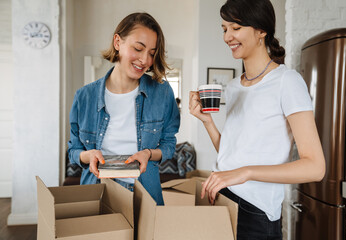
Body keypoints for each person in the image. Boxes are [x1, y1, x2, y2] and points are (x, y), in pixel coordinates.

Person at [189, 0, 325, 239]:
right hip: (221, 197)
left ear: (262, 30)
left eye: (235, 27)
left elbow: (315, 167)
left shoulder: (287, 82)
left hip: (255, 212)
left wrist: (245, 173)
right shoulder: (233, 87)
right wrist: (207, 122)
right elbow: (232, 154)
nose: (227, 36)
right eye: (224, 29)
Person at [68, 12, 180, 205]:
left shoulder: (162, 92)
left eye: (152, 53)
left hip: (146, 194)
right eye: (138, 48)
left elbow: (168, 144)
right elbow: (74, 150)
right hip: (99, 193)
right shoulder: (84, 97)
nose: (145, 60)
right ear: (117, 42)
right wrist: (89, 155)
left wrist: (148, 153)